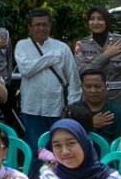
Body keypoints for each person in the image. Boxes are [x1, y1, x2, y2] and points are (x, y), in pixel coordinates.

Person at [14, 9, 80, 145]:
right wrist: (51, 58)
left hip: (57, 108)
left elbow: (73, 80)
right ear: (30, 27)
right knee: (35, 149)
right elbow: (26, 70)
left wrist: (72, 106)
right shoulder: (22, 46)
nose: (41, 28)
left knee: (58, 146)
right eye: (37, 25)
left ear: (50, 26)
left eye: (44, 24)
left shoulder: (62, 48)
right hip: (31, 108)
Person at [73, 5, 121, 109]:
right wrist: (106, 55)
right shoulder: (82, 45)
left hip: (120, 101)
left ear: (107, 21)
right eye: (92, 19)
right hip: (92, 102)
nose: (96, 22)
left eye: (100, 19)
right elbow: (82, 71)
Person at [66, 69, 121, 142]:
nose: (93, 91)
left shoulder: (118, 112)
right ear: (82, 87)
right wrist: (90, 125)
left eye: (97, 86)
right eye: (88, 87)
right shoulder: (73, 112)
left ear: (106, 87)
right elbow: (66, 137)